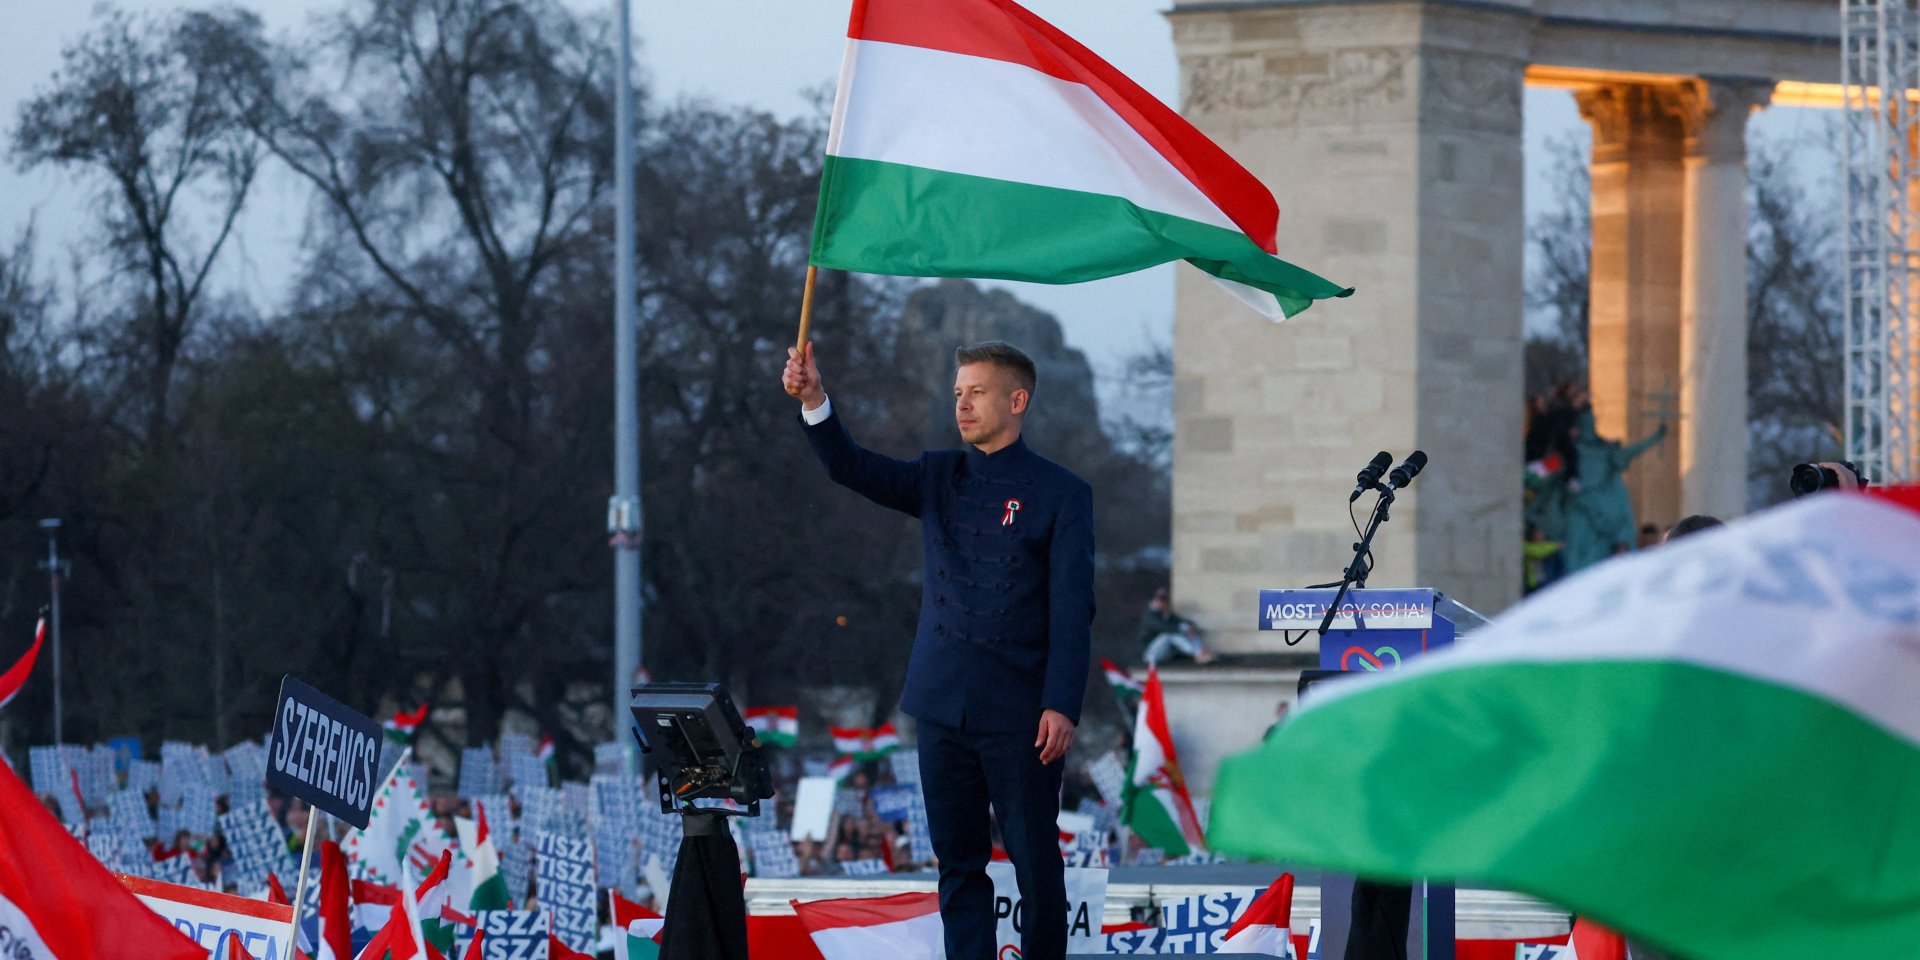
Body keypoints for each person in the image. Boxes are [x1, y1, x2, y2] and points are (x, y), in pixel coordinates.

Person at [784, 339, 1093, 960]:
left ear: (1017, 400)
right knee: (957, 863)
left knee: (1036, 865)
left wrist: (1061, 703)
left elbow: (1072, 608)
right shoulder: (938, 476)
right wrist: (815, 399)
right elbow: (851, 466)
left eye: (976, 392)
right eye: (957, 393)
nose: (963, 404)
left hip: (1022, 713)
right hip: (940, 705)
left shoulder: (1062, 492)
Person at [1137, 587, 1216, 665]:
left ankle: (1201, 652)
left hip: (1165, 652)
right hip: (1150, 654)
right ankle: (1198, 653)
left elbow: (1180, 621)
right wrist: (1184, 631)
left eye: (1165, 600)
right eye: (1160, 600)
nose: (1163, 603)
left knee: (1185, 626)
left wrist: (1191, 626)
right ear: (1155, 600)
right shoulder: (1149, 615)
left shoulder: (1165, 613)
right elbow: (1164, 627)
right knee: (1169, 634)